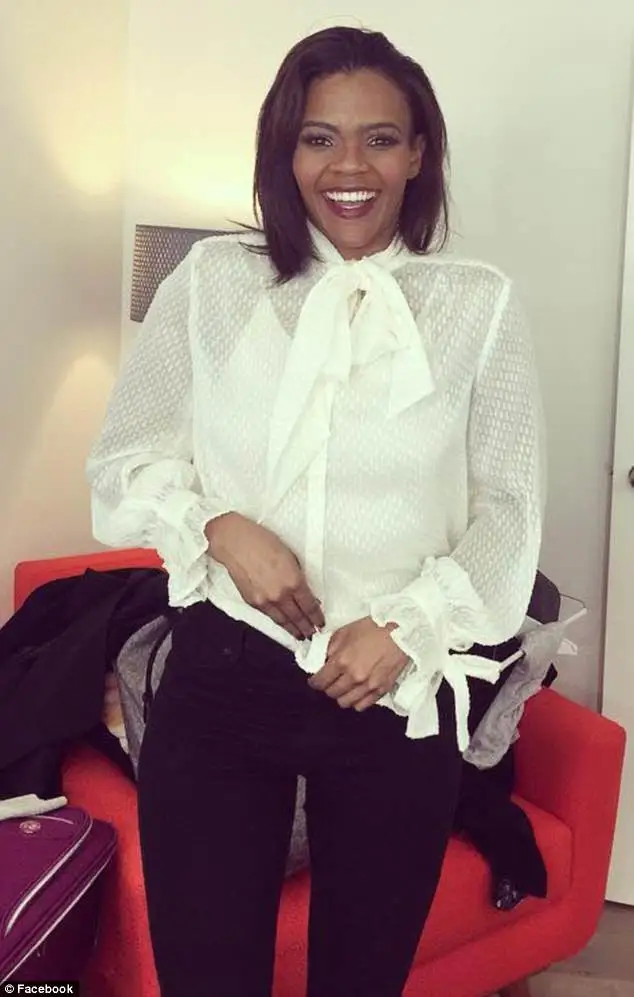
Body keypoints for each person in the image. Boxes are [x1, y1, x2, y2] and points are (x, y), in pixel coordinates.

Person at [86, 24, 545, 997]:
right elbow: (124, 461)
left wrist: (411, 624)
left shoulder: (478, 305)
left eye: (379, 139)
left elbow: (509, 510)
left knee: (361, 979)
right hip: (223, 674)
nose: (349, 167)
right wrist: (219, 528)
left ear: (417, 154)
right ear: (283, 151)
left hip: (392, 690)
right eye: (318, 137)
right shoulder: (212, 282)